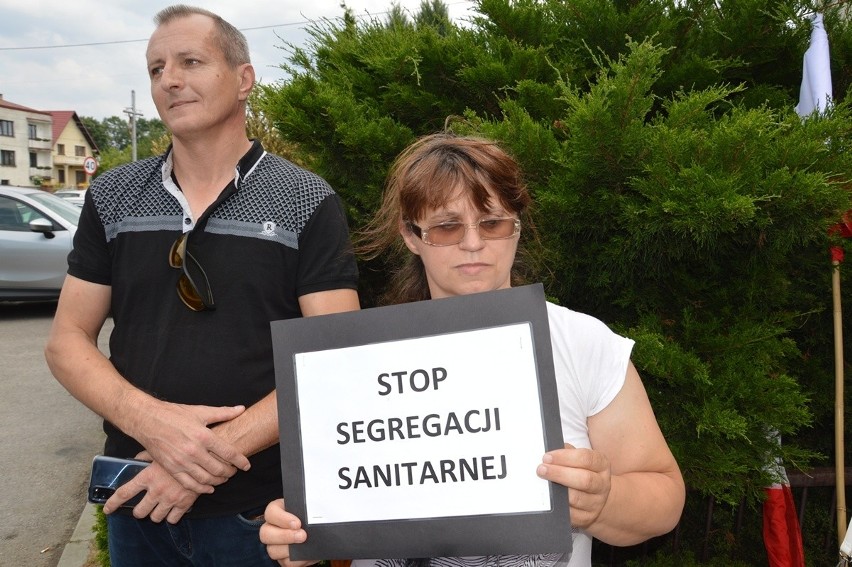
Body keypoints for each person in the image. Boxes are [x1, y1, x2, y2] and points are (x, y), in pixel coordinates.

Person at [258, 133, 685, 567]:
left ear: (517, 226)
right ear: (411, 235)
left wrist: (604, 500)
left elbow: (665, 497)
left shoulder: (582, 342)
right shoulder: (356, 360)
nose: (473, 243)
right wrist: (302, 533)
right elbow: (330, 504)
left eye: (493, 222)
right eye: (446, 227)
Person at [44, 4, 359, 566]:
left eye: (191, 61)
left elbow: (332, 356)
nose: (169, 79)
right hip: (136, 500)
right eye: (155, 68)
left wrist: (199, 455)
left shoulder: (308, 200)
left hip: (261, 515)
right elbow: (66, 340)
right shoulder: (112, 196)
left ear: (243, 79)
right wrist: (154, 426)